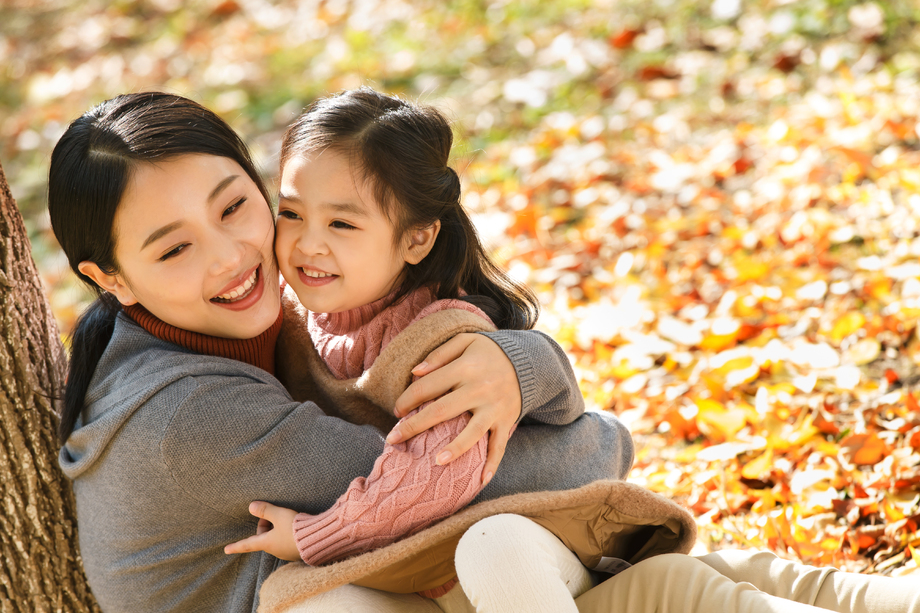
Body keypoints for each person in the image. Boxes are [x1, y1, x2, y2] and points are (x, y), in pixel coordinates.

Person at [49, 91, 634, 613]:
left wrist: (517, 360)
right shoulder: (187, 413)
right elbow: (428, 487)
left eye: (233, 208)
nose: (230, 257)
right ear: (112, 279)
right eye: (175, 249)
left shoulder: (279, 314)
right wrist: (587, 425)